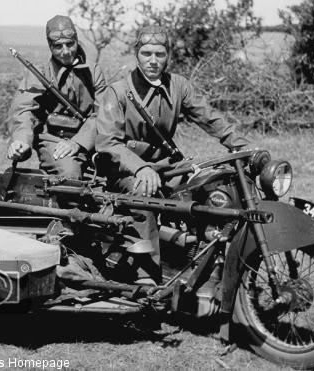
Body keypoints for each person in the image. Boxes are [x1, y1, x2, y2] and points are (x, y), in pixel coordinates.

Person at [95, 25, 249, 284]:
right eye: (146, 53)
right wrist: (140, 168)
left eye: (159, 53)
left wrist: (241, 145)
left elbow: (209, 117)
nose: (153, 60)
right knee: (144, 194)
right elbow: (108, 142)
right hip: (125, 170)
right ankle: (146, 275)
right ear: (136, 54)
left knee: (210, 191)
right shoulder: (119, 91)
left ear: (168, 56)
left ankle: (205, 261)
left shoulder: (178, 86)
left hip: (167, 166)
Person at [7, 15, 106, 179]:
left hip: (89, 140)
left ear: (76, 40)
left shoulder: (94, 72)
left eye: (70, 44)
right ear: (50, 46)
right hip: (53, 141)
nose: (66, 51)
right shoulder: (40, 73)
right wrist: (21, 140)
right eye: (58, 46)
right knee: (70, 175)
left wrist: (78, 142)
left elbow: (102, 114)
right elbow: (23, 110)